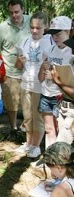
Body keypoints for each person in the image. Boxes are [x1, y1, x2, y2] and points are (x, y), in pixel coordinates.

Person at [14, 12, 54, 158]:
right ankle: (28, 143)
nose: (35, 31)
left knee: (38, 117)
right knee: (27, 116)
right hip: (26, 83)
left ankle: (36, 146)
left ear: (45, 27)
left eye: (38, 28)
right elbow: (18, 65)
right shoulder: (24, 41)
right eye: (32, 27)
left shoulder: (50, 41)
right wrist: (20, 59)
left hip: (41, 85)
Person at [0, 0, 31, 141]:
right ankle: (14, 128)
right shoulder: (2, 28)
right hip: (10, 72)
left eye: (17, 12)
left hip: (30, 72)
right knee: (11, 104)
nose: (14, 15)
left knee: (29, 104)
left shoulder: (31, 22)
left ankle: (26, 130)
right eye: (11, 12)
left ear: (23, 10)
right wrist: (0, 71)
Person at [38, 16, 72, 149]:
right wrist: (43, 68)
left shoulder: (71, 53)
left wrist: (55, 79)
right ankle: (49, 158)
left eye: (58, 34)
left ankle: (60, 163)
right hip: (46, 94)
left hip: (62, 98)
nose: (55, 37)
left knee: (63, 132)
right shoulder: (49, 50)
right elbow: (40, 78)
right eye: (52, 34)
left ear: (68, 31)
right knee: (49, 129)